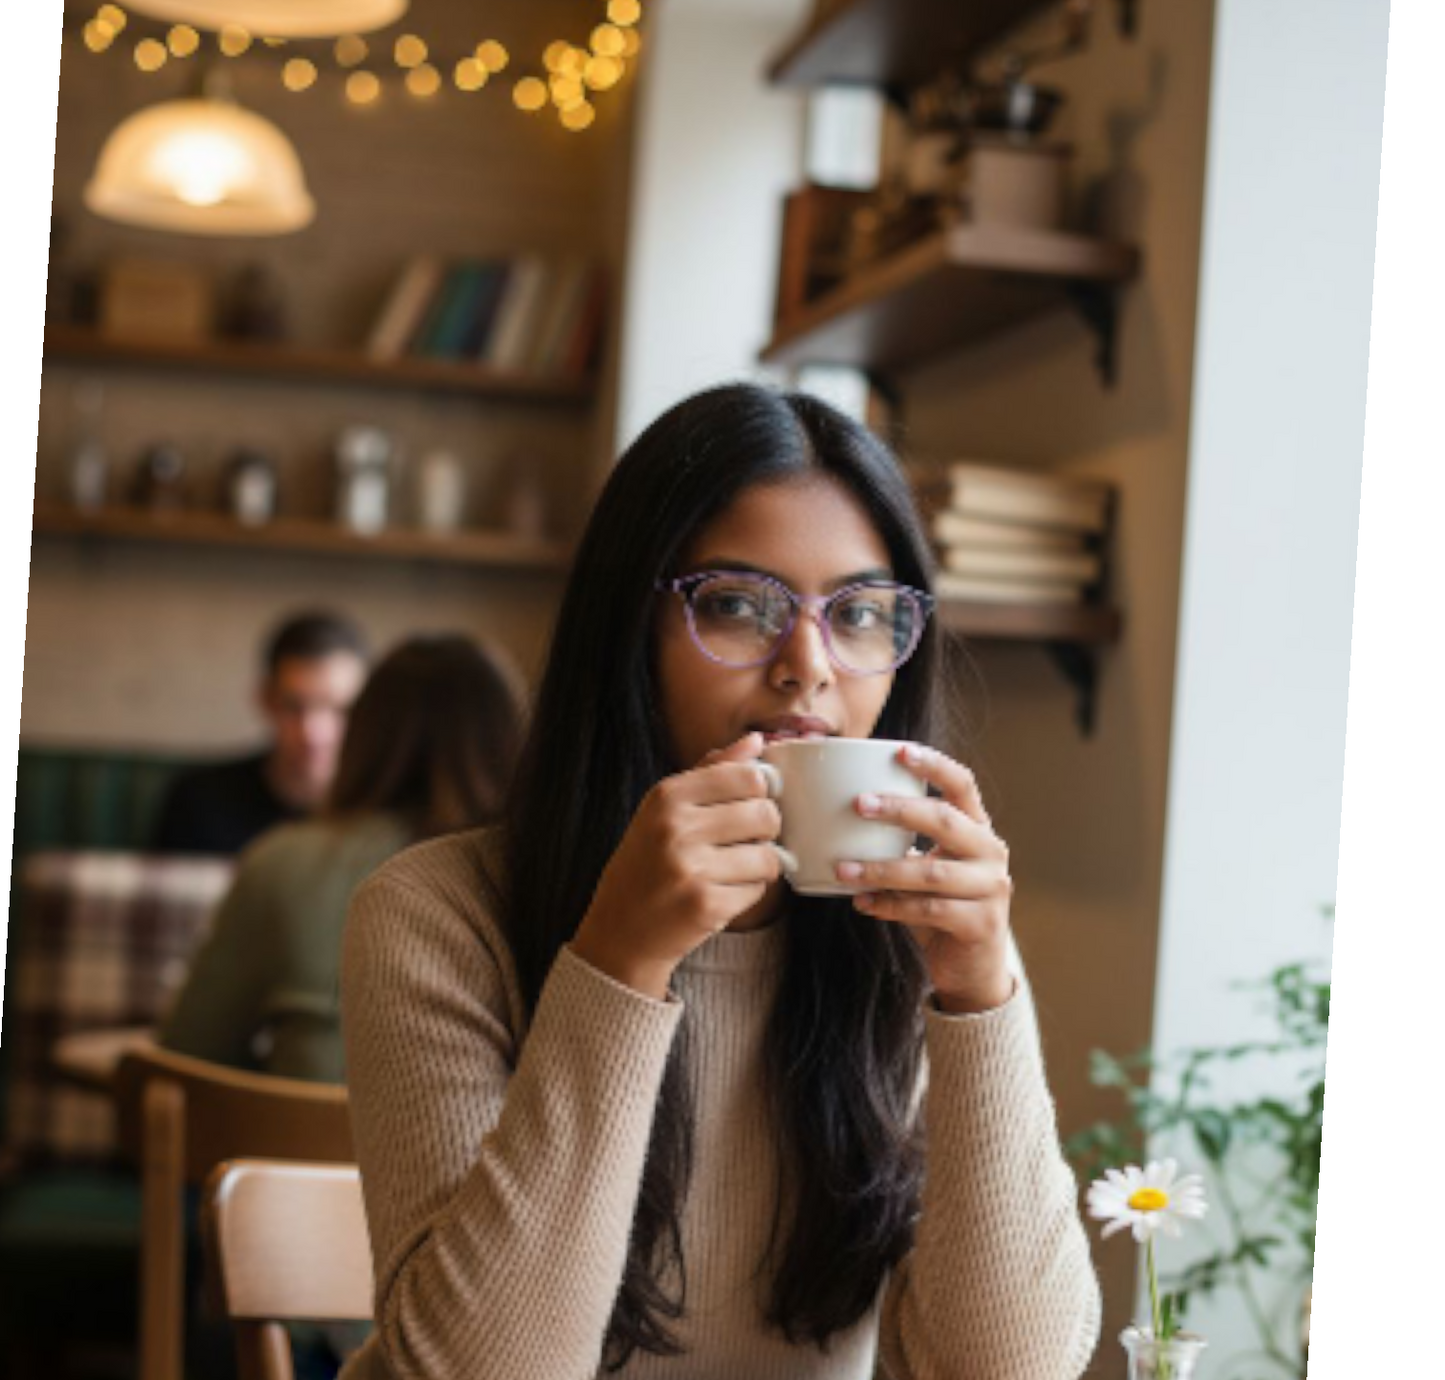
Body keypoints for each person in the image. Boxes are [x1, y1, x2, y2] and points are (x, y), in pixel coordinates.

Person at [339, 384, 1101, 1380]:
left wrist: (979, 995)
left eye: (861, 613)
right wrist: (617, 959)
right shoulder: (435, 914)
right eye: (738, 605)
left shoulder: (910, 932)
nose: (808, 667)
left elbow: (1010, 1367)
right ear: (629, 628)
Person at [158, 634, 525, 1081]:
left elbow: (189, 1052)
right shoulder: (536, 874)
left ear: (367, 732)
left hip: (298, 1150)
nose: (314, 731)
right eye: (295, 705)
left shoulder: (281, 861)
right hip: (491, 1149)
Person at [151, 610, 370, 856]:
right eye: (293, 706)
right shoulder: (197, 803)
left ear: (368, 709)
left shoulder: (386, 816)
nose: (314, 733)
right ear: (264, 699)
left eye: (340, 709)